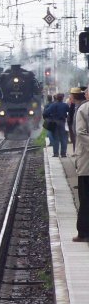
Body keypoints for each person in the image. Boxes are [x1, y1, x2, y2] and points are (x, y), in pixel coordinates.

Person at [73, 87, 89, 242]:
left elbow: (80, 132)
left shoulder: (84, 109)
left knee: (85, 199)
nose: (84, 94)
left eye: (86, 92)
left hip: (87, 162)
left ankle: (84, 232)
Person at [43, 92, 69, 158]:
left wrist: (50, 117)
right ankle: (63, 153)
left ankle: (56, 153)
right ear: (63, 98)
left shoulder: (53, 105)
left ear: (57, 98)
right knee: (63, 139)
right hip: (63, 123)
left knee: (55, 139)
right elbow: (69, 113)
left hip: (55, 123)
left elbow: (46, 113)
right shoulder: (65, 105)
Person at [69, 87, 86, 154]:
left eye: (71, 95)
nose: (70, 97)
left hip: (82, 140)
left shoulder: (82, 107)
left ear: (75, 96)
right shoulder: (75, 105)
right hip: (77, 136)